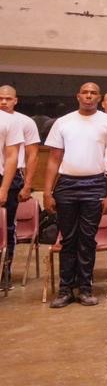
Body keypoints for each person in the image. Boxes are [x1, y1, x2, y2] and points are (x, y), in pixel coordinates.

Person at [43, 83, 107, 307]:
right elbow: (53, 159)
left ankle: (85, 288)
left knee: (87, 239)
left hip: (95, 184)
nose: (89, 96)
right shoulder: (63, 122)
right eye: (85, 93)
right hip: (66, 185)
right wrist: (47, 192)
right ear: (78, 96)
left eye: (93, 93)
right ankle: (65, 289)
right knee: (68, 239)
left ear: (99, 98)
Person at [0, 85, 40, 290]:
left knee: (7, 226)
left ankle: (4, 272)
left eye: (8, 98)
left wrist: (27, 185)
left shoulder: (24, 122)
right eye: (0, 98)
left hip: (12, 177)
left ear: (15, 100)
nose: (4, 102)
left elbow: (32, 155)